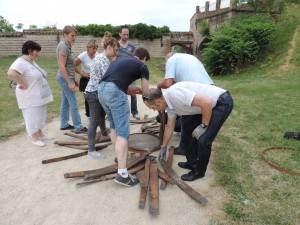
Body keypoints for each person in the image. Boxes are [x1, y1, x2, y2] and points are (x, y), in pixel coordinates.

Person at [143, 82, 233, 181]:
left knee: (204, 140)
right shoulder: (169, 106)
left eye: (152, 107)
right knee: (187, 128)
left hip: (220, 103)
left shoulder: (175, 94)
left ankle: (199, 172)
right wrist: (163, 146)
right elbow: (170, 127)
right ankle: (192, 163)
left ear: (158, 101)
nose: (152, 109)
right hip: (204, 106)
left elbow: (207, 103)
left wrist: (203, 126)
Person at [98, 47, 150, 186]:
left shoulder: (121, 61)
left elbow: (115, 82)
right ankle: (122, 174)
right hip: (114, 92)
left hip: (101, 90)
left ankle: (118, 157)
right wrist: (147, 93)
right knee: (123, 133)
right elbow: (146, 93)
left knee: (114, 127)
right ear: (144, 59)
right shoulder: (143, 66)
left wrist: (133, 89)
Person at [157, 52, 214, 156]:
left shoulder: (171, 60)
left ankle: (186, 149)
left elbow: (168, 83)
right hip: (208, 88)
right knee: (197, 122)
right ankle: (194, 149)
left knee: (187, 121)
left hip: (196, 91)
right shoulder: (189, 58)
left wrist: (158, 86)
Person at [7, 40, 53, 147]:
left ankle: (40, 134)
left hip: (39, 95)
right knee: (32, 116)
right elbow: (11, 73)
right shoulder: (20, 62)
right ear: (30, 51)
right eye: (37, 51)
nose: (38, 54)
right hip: (29, 96)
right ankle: (34, 137)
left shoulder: (31, 61)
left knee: (41, 116)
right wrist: (22, 83)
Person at [83, 32, 119, 159]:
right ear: (109, 47)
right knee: (94, 121)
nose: (116, 53)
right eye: (115, 50)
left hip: (94, 92)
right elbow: (109, 78)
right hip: (93, 93)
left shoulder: (99, 57)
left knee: (102, 114)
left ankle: (104, 133)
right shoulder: (103, 59)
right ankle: (91, 150)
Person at [56, 25, 87, 132]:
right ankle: (78, 126)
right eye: (72, 35)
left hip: (68, 77)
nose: (74, 38)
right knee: (73, 103)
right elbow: (62, 66)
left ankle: (64, 124)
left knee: (65, 102)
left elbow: (71, 65)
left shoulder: (67, 45)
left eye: (75, 36)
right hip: (65, 78)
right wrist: (69, 82)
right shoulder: (63, 46)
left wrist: (75, 78)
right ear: (65, 35)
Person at [117, 25, 140, 120]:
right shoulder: (116, 45)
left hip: (130, 73)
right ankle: (121, 112)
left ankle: (135, 112)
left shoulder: (132, 46)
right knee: (119, 93)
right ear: (120, 34)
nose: (126, 36)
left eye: (127, 34)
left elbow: (135, 58)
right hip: (118, 73)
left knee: (133, 93)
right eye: (124, 34)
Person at [75, 39, 99, 117]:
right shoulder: (83, 56)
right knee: (88, 97)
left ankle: (97, 114)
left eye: (96, 48)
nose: (95, 50)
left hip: (95, 79)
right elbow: (73, 65)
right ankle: (89, 115)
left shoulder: (98, 55)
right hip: (86, 80)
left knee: (97, 97)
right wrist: (82, 73)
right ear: (88, 48)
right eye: (93, 48)